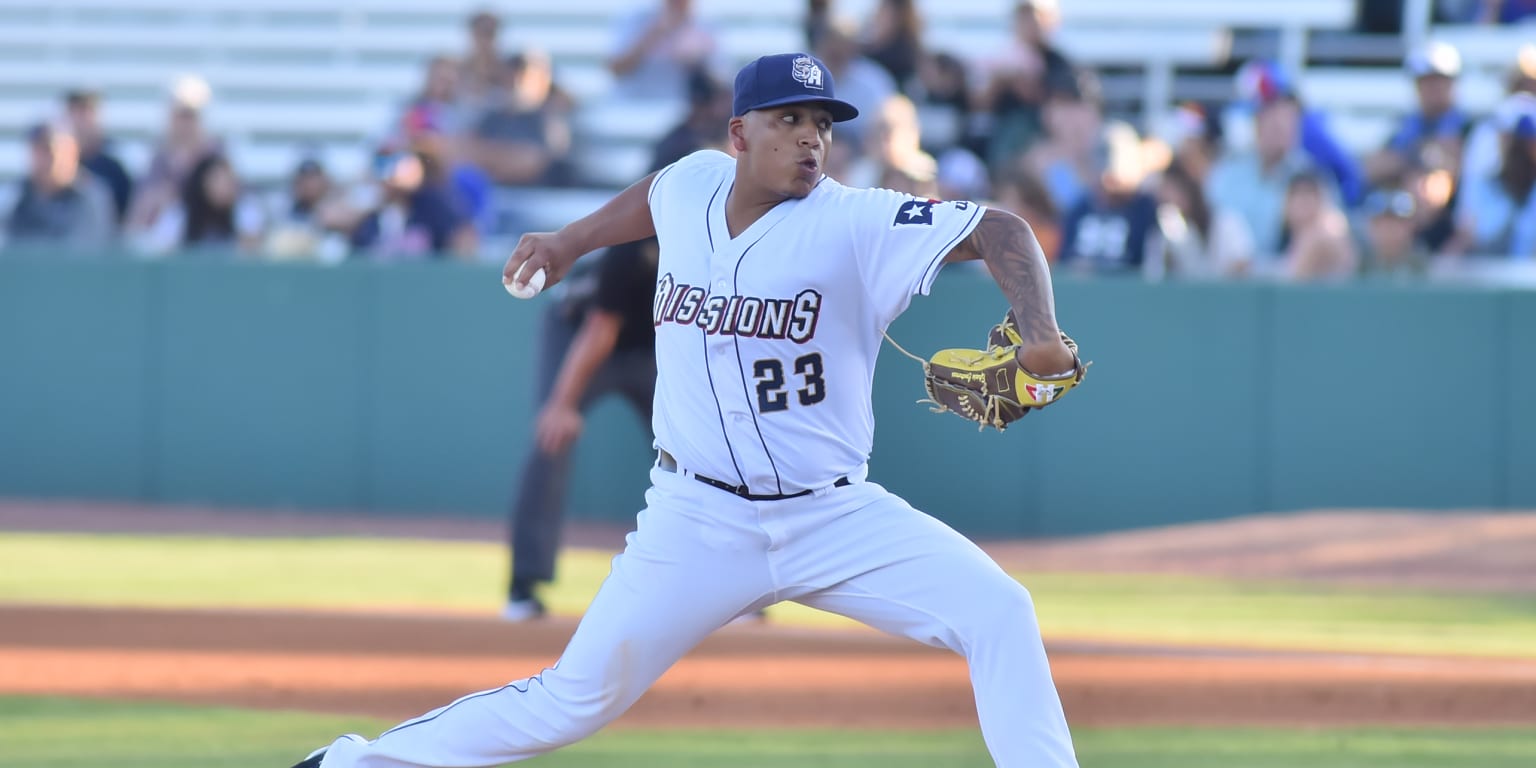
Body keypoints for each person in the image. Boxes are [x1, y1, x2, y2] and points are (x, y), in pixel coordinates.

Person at [288, 51, 1084, 768]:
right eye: (789, 120)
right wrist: (570, 242)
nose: (811, 138)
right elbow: (655, 196)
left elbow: (1001, 228)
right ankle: (352, 764)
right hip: (695, 517)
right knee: (571, 699)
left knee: (1000, 613)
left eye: (822, 124)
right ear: (739, 134)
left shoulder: (857, 219)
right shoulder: (695, 181)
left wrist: (1041, 337)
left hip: (833, 517)